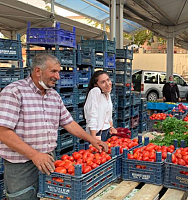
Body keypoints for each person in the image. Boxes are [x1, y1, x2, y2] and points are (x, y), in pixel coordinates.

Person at [0, 54, 108, 200]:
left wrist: (92, 139)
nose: (58, 76)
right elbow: (3, 131)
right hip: (22, 167)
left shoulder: (54, 96)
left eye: (59, 72)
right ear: (38, 71)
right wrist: (34, 154)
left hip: (49, 161)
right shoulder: (14, 92)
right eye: (53, 71)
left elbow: (68, 122)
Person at [84, 71, 117, 141]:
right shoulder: (95, 92)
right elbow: (92, 115)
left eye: (108, 80)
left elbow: (108, 114)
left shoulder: (107, 93)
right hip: (97, 133)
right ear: (96, 85)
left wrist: (111, 127)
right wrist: (93, 138)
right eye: (103, 82)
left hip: (106, 132)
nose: (108, 84)